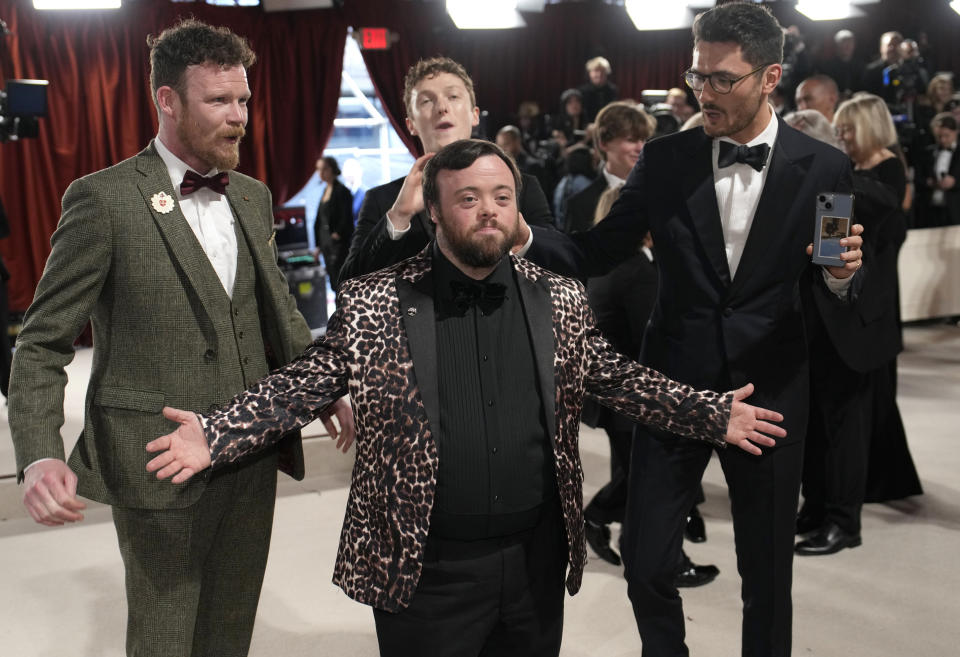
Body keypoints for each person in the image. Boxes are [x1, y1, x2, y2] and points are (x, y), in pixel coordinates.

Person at [144, 138, 786, 657]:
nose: (489, 210)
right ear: (435, 214)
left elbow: (618, 376)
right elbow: (306, 378)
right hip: (427, 569)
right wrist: (217, 430)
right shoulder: (377, 301)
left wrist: (710, 412)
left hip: (535, 561)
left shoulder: (557, 296)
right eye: (470, 198)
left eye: (502, 197)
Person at [519, 3, 864, 655]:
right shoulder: (667, 157)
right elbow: (597, 250)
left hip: (770, 395)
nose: (701, 91)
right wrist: (521, 233)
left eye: (720, 79)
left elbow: (830, 282)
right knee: (647, 563)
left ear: (770, 78)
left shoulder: (826, 168)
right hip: (671, 389)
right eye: (695, 75)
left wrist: (844, 275)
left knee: (766, 576)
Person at [7, 19, 352, 657]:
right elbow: (43, 341)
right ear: (167, 101)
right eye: (218, 101)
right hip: (157, 459)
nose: (238, 116)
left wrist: (322, 386)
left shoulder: (250, 195)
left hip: (249, 450)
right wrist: (38, 452)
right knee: (165, 638)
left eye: (243, 99)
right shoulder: (104, 200)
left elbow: (276, 308)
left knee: (229, 632)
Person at [796, 93, 919, 556]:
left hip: (857, 323)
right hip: (817, 323)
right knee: (817, 427)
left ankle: (844, 523)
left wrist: (824, 173)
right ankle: (818, 507)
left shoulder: (864, 183)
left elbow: (844, 245)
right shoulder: (835, 186)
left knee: (845, 430)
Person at [339, 57, 553, 283]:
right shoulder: (384, 201)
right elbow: (349, 284)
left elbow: (560, 273)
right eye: (426, 101)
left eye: (453, 96)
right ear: (410, 124)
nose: (442, 107)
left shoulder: (522, 188)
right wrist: (400, 216)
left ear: (474, 115)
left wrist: (523, 237)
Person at [565, 101, 654, 234]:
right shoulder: (580, 204)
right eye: (631, 140)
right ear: (604, 143)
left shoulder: (660, 192)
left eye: (643, 140)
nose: (640, 148)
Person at [314, 155, 354, 290]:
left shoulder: (342, 191)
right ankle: (339, 309)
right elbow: (320, 219)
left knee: (340, 279)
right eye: (318, 170)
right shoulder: (325, 190)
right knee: (332, 279)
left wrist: (337, 234)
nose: (320, 173)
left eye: (323, 169)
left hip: (338, 244)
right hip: (326, 243)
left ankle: (344, 309)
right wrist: (318, 245)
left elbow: (346, 218)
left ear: (330, 169)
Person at [917, 112, 960, 227]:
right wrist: (929, 182)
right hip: (931, 210)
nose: (943, 140)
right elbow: (918, 177)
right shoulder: (928, 152)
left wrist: (955, 182)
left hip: (955, 209)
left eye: (947, 136)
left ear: (956, 132)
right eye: (939, 136)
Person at [579, 56, 619, 122]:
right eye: (596, 71)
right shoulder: (582, 91)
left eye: (602, 71)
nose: (599, 74)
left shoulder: (613, 90)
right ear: (590, 73)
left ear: (607, 73)